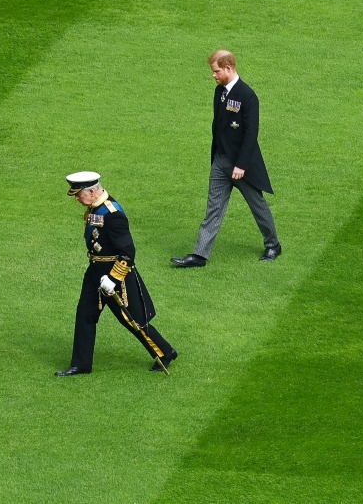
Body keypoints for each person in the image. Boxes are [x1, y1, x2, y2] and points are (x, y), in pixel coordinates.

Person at [55, 171, 178, 376]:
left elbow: (128, 252)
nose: (76, 198)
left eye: (79, 194)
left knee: (132, 319)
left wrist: (113, 278)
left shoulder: (113, 214)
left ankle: (166, 352)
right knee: (85, 315)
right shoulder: (94, 208)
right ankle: (81, 364)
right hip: (95, 271)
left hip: (116, 276)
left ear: (92, 192)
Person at [172, 49, 281, 268]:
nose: (213, 75)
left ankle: (273, 245)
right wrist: (217, 158)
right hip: (220, 162)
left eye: (216, 71)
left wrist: (241, 165)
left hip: (241, 165)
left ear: (228, 68)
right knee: (213, 209)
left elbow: (251, 134)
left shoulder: (247, 95)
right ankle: (200, 255)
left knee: (257, 205)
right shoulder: (220, 92)